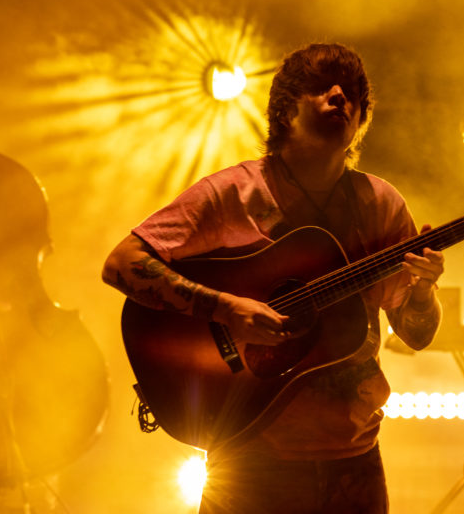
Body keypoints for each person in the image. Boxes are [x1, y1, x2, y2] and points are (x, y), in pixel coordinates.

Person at [103, 43, 445, 513]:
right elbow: (122, 263)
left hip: (354, 455)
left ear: (362, 119)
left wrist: (423, 290)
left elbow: (417, 333)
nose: (340, 96)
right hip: (249, 451)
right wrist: (224, 307)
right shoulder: (233, 194)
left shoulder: (381, 205)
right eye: (322, 86)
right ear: (285, 109)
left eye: (353, 93)